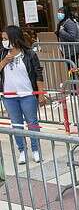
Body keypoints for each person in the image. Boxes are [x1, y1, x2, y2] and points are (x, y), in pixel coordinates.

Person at [1, 26, 46, 165]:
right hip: (9, 96)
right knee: (16, 124)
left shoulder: (29, 54)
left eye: (5, 39)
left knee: (32, 122)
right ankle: (22, 151)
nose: (3, 41)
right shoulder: (2, 53)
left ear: (14, 38)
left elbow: (38, 73)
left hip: (27, 94)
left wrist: (41, 93)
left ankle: (35, 150)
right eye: (2, 39)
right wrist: (4, 62)